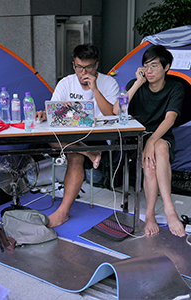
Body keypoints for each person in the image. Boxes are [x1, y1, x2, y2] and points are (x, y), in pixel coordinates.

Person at [36, 44, 119, 228]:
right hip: (69, 134)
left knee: (74, 157)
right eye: (79, 67)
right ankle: (88, 152)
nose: (83, 72)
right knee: (45, 135)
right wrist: (44, 113)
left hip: (96, 135)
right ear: (73, 65)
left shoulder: (108, 83)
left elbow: (111, 116)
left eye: (88, 67)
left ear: (96, 66)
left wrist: (95, 89)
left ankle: (63, 213)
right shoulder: (66, 83)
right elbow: (54, 112)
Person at [113, 45, 185, 237]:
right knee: (152, 160)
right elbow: (115, 111)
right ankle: (157, 212)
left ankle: (161, 210)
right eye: (146, 66)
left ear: (166, 67)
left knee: (159, 148)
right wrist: (137, 83)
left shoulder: (175, 88)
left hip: (160, 135)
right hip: (137, 136)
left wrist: (151, 141)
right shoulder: (135, 84)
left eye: (154, 66)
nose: (149, 71)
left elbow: (170, 119)